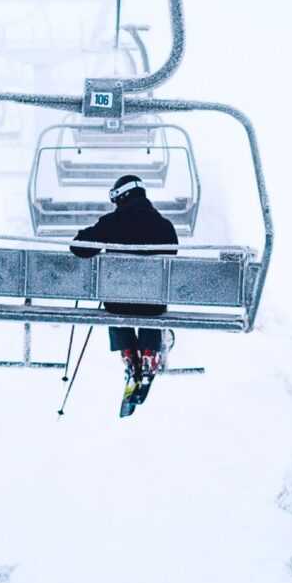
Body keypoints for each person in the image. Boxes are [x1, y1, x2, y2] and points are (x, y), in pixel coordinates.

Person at [72, 172, 177, 416]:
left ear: (123, 197)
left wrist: (86, 233)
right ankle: (149, 355)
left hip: (119, 304)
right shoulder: (165, 226)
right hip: (152, 306)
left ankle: (131, 358)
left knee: (117, 304)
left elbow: (78, 248)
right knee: (153, 300)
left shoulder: (111, 223)